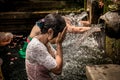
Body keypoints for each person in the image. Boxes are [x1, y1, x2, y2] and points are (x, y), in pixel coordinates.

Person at [25, 13, 67, 80]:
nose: (61, 39)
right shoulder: (36, 46)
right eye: (60, 36)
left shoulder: (44, 41)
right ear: (50, 32)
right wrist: (59, 44)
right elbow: (58, 70)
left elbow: (55, 55)